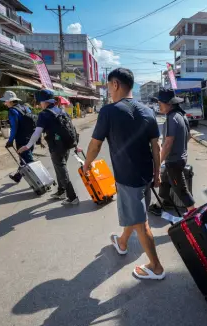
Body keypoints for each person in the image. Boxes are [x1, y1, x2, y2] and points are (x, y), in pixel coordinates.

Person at [83, 68, 165, 280]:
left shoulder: (109, 112)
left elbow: (95, 145)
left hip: (129, 178)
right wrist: (157, 175)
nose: (109, 90)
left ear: (116, 84)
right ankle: (122, 243)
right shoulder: (148, 111)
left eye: (109, 86)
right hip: (146, 176)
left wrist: (87, 164)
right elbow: (156, 147)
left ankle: (156, 267)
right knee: (136, 213)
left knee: (141, 221)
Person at [18, 89, 79, 206]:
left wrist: (27, 146)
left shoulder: (44, 114)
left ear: (44, 102)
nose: (39, 104)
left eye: (40, 102)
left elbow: (37, 133)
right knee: (60, 168)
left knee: (61, 170)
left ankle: (72, 197)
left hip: (56, 147)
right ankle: (61, 191)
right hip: (67, 144)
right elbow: (72, 128)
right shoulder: (61, 111)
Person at [148, 89, 195, 217]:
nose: (159, 106)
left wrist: (159, 163)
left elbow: (168, 143)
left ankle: (194, 216)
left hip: (174, 161)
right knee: (164, 181)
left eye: (160, 103)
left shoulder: (171, 118)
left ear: (169, 104)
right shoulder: (181, 115)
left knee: (181, 190)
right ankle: (160, 205)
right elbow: (189, 135)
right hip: (179, 158)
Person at [0, 91, 35, 183]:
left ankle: (42, 181)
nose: (5, 103)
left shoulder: (12, 111)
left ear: (10, 101)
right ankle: (18, 176)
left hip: (21, 139)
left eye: (6, 101)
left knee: (29, 161)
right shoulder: (26, 108)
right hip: (31, 138)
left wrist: (10, 140)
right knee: (24, 159)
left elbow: (14, 127)